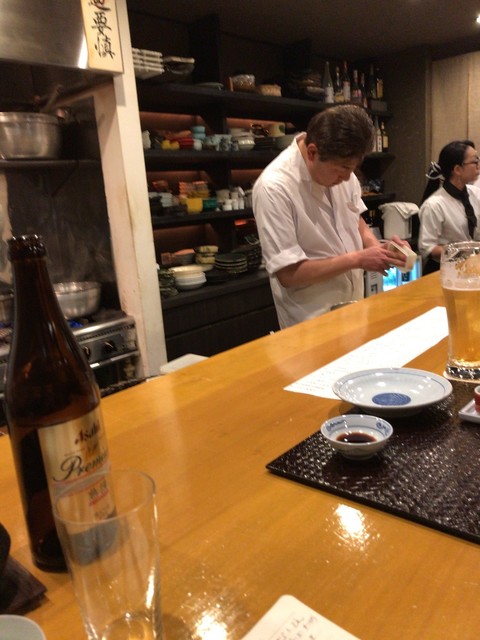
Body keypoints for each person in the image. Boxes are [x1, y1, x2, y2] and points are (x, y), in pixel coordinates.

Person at [252, 105, 408, 329]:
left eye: (352, 169)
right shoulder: (274, 188)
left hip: (353, 305)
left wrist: (380, 250)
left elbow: (356, 221)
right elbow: (289, 274)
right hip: (311, 320)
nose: (347, 178)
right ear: (312, 152)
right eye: (341, 169)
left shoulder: (342, 171)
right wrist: (358, 259)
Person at [418, 140, 480, 274]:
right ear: (457, 169)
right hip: (443, 271)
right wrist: (465, 253)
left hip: (471, 267)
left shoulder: (475, 193)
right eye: (475, 161)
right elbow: (427, 248)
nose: (478, 166)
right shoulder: (434, 205)